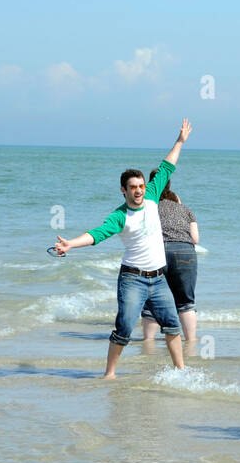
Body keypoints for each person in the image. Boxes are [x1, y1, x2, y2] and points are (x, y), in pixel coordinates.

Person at [54, 119, 192, 377]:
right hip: (133, 279)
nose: (138, 191)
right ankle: (110, 374)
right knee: (125, 327)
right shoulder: (120, 216)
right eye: (133, 187)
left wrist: (180, 141)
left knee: (173, 326)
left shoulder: (152, 195)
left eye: (140, 186)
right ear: (123, 190)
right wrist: (71, 243)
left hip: (160, 279)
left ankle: (181, 371)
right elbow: (96, 234)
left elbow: (167, 166)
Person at [139, 170, 200, 352]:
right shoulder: (185, 209)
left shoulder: (147, 206)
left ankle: (148, 343)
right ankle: (190, 344)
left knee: (151, 300)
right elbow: (195, 239)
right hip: (185, 251)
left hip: (158, 250)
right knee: (186, 302)